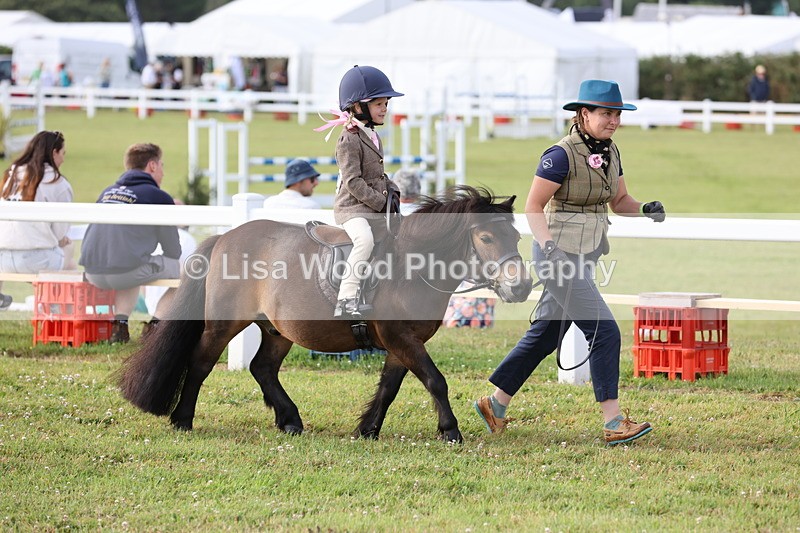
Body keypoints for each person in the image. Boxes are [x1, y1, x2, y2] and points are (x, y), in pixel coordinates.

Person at [474, 79, 667, 446]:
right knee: (605, 329)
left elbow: (619, 200)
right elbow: (533, 206)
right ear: (583, 114)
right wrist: (548, 248)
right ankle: (613, 423)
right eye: (606, 114)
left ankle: (494, 405)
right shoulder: (559, 155)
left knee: (547, 333)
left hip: (585, 253)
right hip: (556, 257)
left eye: (617, 114)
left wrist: (644, 209)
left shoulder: (612, 153)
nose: (613, 121)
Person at [321, 65, 403, 319]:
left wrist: (393, 190)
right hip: (352, 209)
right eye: (379, 104)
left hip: (371, 205)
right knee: (365, 240)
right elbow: (353, 182)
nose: (385, 109)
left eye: (386, 104)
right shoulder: (349, 139)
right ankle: (345, 299)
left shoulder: (372, 135)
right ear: (358, 107)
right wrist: (381, 203)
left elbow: (376, 174)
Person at [79, 143, 181, 344]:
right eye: (161, 165)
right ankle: (155, 326)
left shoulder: (107, 192)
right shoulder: (158, 197)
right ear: (152, 166)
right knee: (189, 275)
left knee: (134, 261)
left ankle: (121, 326)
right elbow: (173, 250)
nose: (163, 171)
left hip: (92, 272)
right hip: (124, 272)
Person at [0, 131, 76, 297]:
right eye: (63, 153)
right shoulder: (57, 182)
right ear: (54, 152)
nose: (63, 159)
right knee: (69, 253)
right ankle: (55, 309)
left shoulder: (10, 176)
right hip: (35, 260)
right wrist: (60, 240)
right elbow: (60, 234)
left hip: (2, 258)